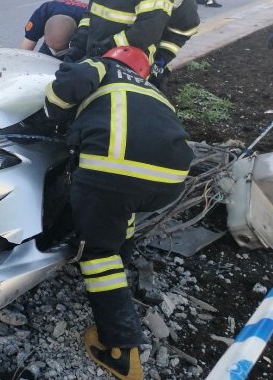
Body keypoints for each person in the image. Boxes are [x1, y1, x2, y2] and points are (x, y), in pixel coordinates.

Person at [44, 45, 193, 380]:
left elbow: (69, 84)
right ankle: (120, 262)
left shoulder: (101, 67)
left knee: (97, 253)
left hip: (114, 166)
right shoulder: (152, 91)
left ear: (112, 58)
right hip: (170, 181)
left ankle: (121, 350)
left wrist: (52, 111)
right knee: (118, 215)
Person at [151, 0, 200, 92]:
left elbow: (177, 37)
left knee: (155, 82)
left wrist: (161, 60)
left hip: (157, 40)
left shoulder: (187, 12)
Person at [21, 0, 88, 58]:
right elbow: (24, 53)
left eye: (59, 50)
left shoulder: (90, 22)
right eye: (53, 49)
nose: (55, 54)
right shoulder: (44, 12)